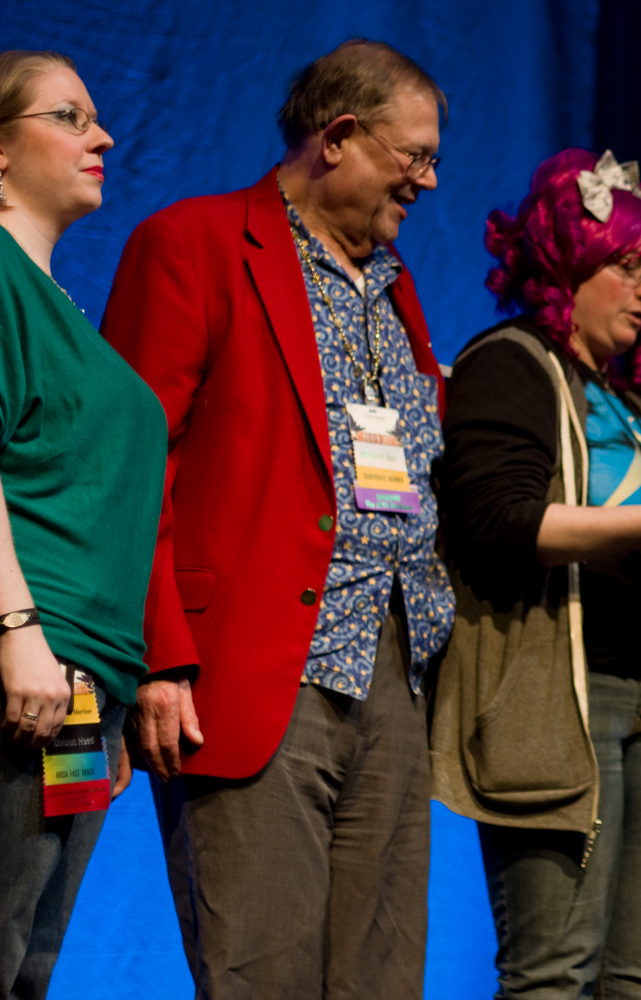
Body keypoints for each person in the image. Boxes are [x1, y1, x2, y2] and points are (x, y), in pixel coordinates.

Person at [98, 40, 453, 997]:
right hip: (258, 669)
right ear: (338, 137)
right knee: (264, 976)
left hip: (392, 673)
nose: (427, 180)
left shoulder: (396, 285)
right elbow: (132, 465)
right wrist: (158, 658)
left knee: (383, 980)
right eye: (414, 155)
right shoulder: (196, 243)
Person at [430, 147, 641, 999]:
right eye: (628, 267)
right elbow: (498, 523)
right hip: (561, 699)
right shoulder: (512, 363)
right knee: (554, 975)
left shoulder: (636, 411)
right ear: (567, 263)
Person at [0, 50, 165, 998]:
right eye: (68, 116)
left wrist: (111, 692)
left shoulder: (53, 300)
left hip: (81, 692)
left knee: (31, 963)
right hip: (27, 669)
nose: (101, 136)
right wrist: (17, 630)